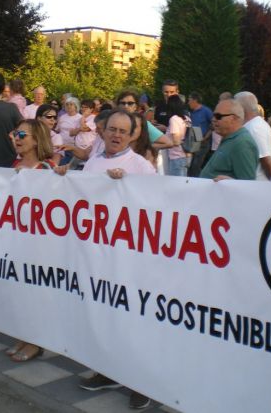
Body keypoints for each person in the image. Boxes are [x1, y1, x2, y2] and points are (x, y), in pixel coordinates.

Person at [70, 109, 155, 409]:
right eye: (112, 130)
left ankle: (141, 382)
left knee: (132, 319)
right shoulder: (93, 162)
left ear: (133, 135)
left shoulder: (141, 167)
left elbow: (155, 210)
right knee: (104, 316)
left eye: (123, 131)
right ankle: (108, 371)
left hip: (128, 260)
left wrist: (124, 187)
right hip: (97, 255)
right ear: (103, 132)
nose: (116, 135)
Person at [5, 119, 55, 360]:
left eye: (22, 134)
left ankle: (35, 341)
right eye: (15, 133)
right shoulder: (13, 165)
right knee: (18, 291)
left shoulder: (45, 170)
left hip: (37, 246)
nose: (17, 138)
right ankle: (22, 335)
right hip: (16, 240)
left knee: (34, 293)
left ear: (36, 140)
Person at [200, 99, 259, 181]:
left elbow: (247, 184)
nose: (213, 119)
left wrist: (231, 183)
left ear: (234, 118)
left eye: (218, 116)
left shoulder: (242, 143)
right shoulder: (230, 139)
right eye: (213, 116)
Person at [235, 91, 271, 180]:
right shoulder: (255, 125)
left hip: (256, 183)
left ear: (242, 108)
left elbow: (266, 159)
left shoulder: (254, 128)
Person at [186, 92, 213, 177]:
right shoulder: (191, 112)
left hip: (202, 143)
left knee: (196, 165)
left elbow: (214, 125)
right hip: (193, 142)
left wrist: (205, 137)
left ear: (195, 100)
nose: (188, 102)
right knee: (191, 165)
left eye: (189, 100)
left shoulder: (206, 111)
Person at [163, 95, 188, 176]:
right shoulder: (186, 118)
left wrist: (162, 143)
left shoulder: (174, 119)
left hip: (176, 157)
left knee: (176, 185)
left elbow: (176, 141)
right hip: (187, 154)